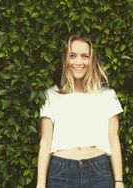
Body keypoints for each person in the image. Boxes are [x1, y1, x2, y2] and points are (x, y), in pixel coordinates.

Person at [36, 35, 124, 188]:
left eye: (85, 56)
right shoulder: (50, 96)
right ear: (65, 60)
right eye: (72, 56)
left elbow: (114, 140)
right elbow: (45, 142)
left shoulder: (107, 95)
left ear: (92, 61)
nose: (78, 62)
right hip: (60, 173)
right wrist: (40, 184)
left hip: (98, 171)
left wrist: (119, 181)